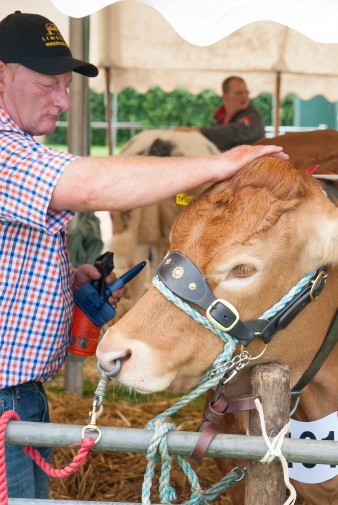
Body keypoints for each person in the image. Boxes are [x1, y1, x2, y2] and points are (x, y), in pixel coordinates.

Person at [0, 11, 287, 500]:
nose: (64, 101)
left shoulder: (21, 146)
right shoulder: (7, 151)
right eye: (48, 83)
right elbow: (86, 185)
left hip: (22, 394)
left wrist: (67, 278)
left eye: (66, 85)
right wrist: (220, 163)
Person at [176, 76, 265, 152]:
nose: (245, 96)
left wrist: (199, 131)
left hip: (252, 169)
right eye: (239, 93)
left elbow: (233, 133)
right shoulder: (219, 115)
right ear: (225, 96)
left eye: (246, 92)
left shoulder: (253, 116)